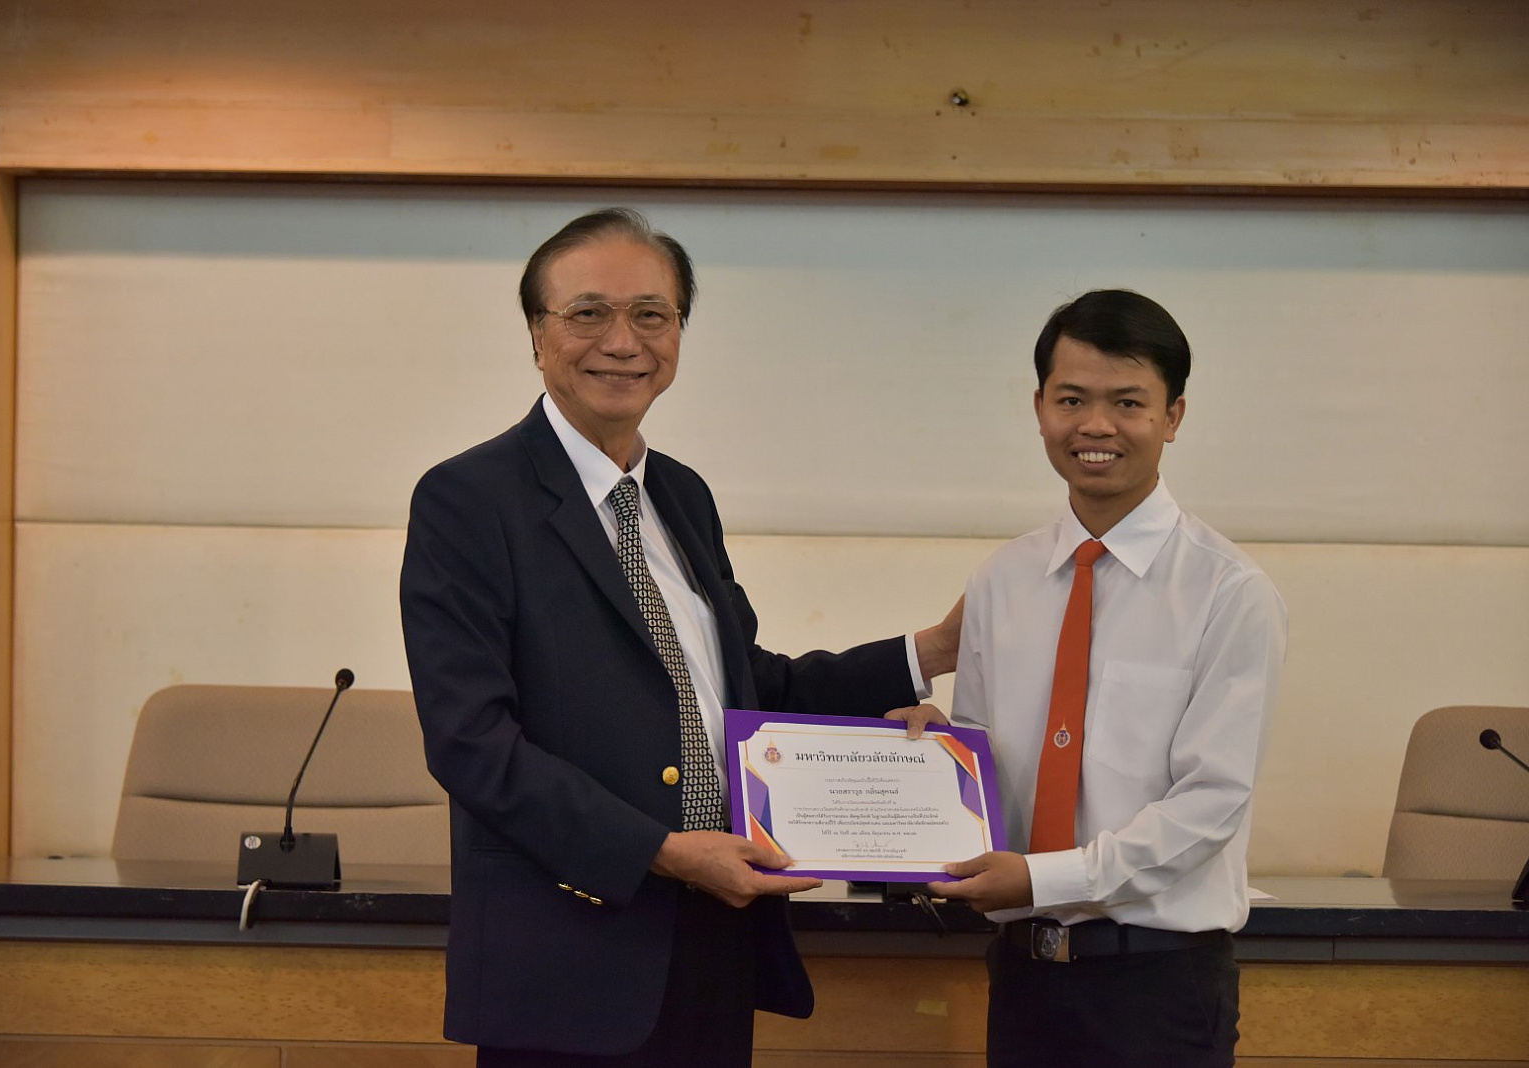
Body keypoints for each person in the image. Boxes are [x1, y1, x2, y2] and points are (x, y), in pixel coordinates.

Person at [400, 207, 961, 1066]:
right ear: (538, 336)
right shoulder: (469, 499)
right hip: (569, 960)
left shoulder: (682, 496)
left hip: (714, 942)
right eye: (589, 313)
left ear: (678, 334)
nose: (623, 342)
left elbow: (743, 690)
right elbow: (470, 743)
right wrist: (660, 853)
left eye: (651, 315)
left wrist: (927, 654)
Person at [907, 289, 1287, 1067]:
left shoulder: (1229, 592)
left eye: (1128, 403)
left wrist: (1045, 879)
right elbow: (987, 774)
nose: (1096, 426)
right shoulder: (1002, 580)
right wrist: (930, 759)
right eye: (1072, 399)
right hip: (1023, 978)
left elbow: (1210, 805)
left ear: (1173, 417)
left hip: (1159, 985)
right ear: (1039, 408)